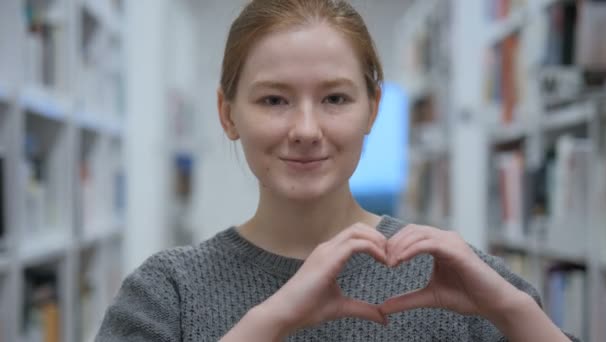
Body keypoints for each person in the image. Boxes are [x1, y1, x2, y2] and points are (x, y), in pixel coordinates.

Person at [96, 0, 578, 341]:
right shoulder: (167, 291)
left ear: (372, 111)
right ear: (227, 114)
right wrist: (272, 319)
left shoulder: (451, 275)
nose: (306, 129)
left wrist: (515, 312)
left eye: (335, 99)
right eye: (274, 99)